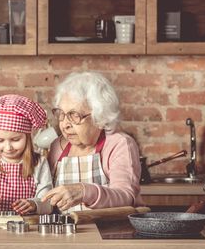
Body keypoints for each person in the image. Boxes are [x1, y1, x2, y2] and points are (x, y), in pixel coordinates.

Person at [42, 71, 143, 212]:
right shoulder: (56, 147)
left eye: (74, 115)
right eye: (62, 114)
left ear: (100, 117)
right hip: (66, 232)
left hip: (108, 232)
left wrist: (84, 191)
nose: (65, 124)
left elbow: (126, 196)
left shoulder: (118, 144)